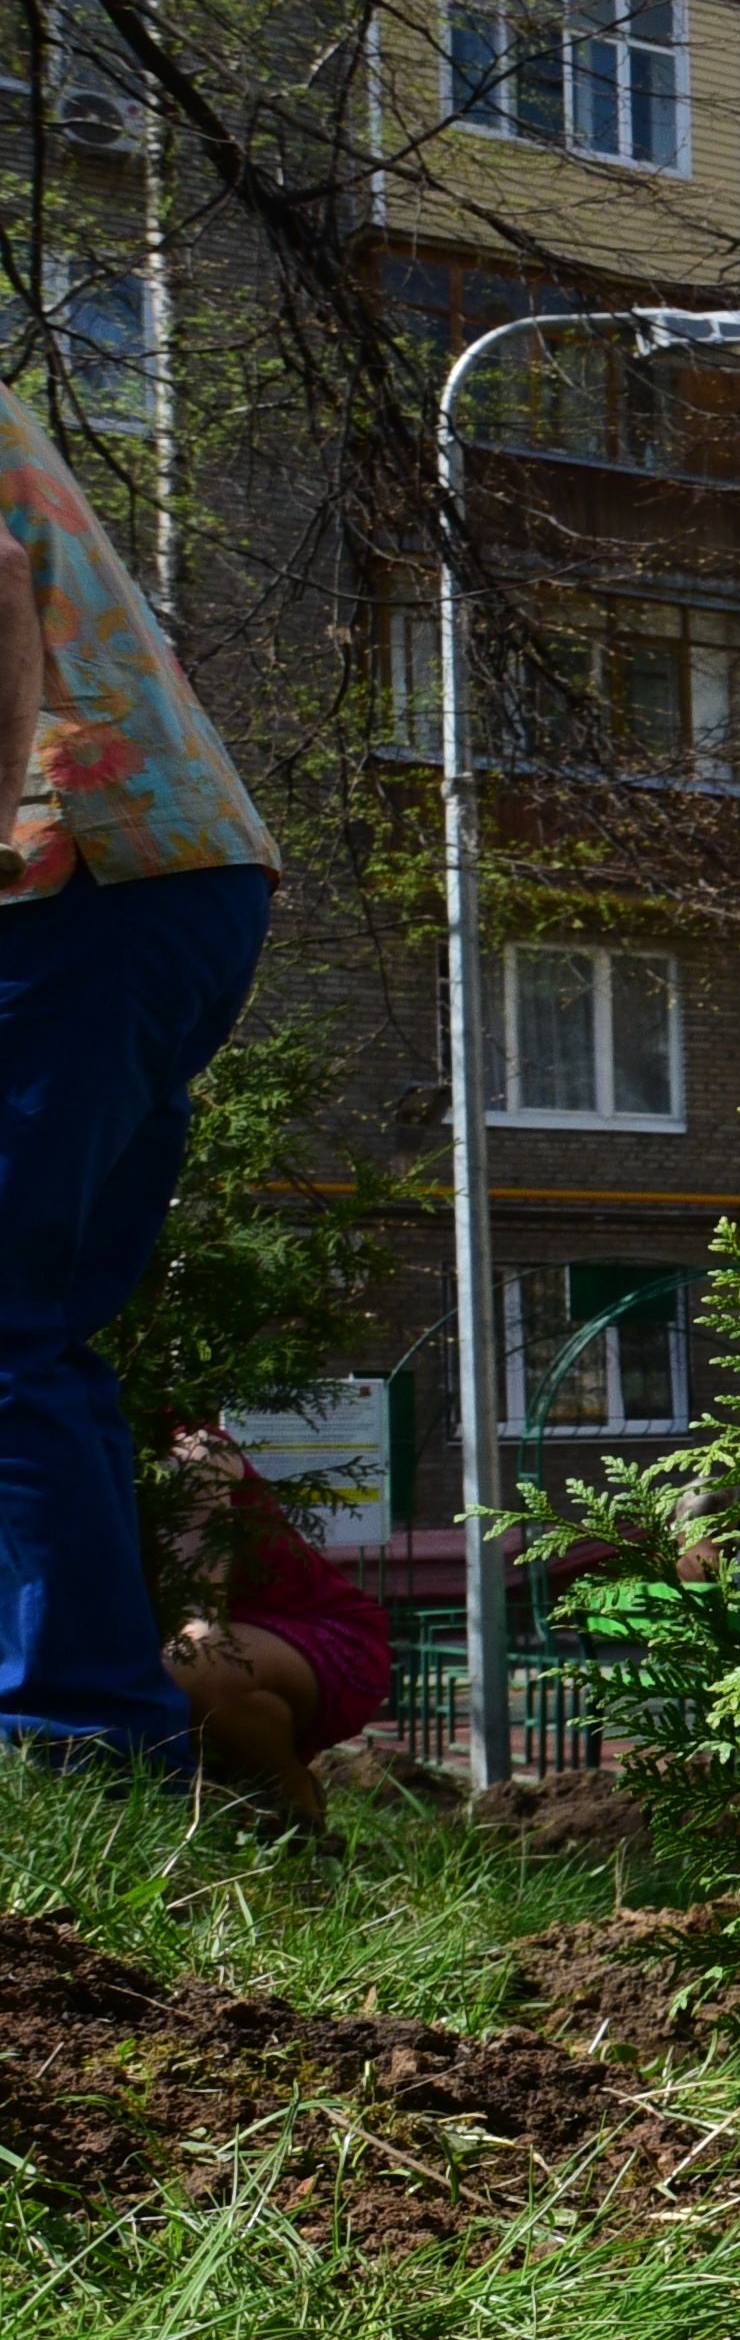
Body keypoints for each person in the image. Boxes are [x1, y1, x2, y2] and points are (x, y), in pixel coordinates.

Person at [0, 380, 283, 1776]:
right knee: (36, 1330)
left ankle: (72, 1733)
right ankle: (90, 1718)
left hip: (74, 875)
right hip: (177, 869)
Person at [154, 1427, 397, 1832]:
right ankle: (241, 1798)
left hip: (314, 1634)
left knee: (192, 1667)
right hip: (241, 1646)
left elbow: (196, 1616)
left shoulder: (191, 1453)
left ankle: (294, 1803)